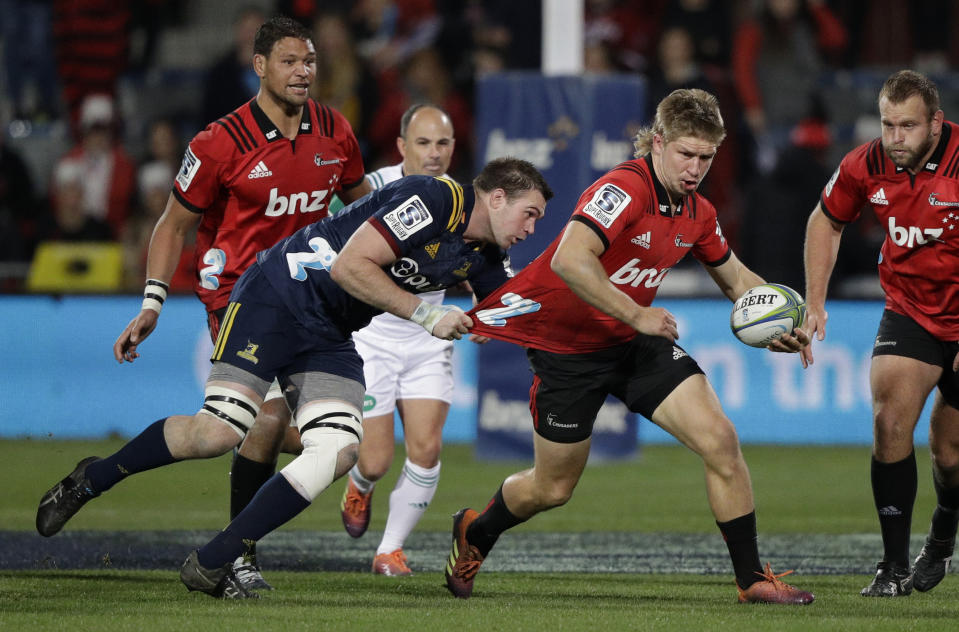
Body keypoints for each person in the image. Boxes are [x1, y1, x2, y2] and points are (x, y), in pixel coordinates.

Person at [35, 157, 553, 600]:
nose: (532, 228)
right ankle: (92, 477)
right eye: (530, 214)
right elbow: (352, 266)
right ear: (498, 197)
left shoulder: (485, 254)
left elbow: (510, 310)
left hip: (328, 331)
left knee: (339, 450)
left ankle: (213, 560)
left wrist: (560, 338)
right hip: (277, 297)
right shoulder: (435, 197)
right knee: (217, 432)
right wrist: (426, 316)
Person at [444, 88, 814, 605]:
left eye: (706, 157)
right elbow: (569, 259)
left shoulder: (698, 211)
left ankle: (752, 579)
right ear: (658, 142)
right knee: (552, 489)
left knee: (720, 440)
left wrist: (781, 316)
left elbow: (736, 281)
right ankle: (476, 530)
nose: (695, 168)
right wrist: (639, 313)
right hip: (568, 350)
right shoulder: (624, 188)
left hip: (633, 343)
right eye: (686, 154)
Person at [98, 16, 371, 592]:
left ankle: (98, 481)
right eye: (291, 62)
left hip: (312, 302)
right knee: (260, 423)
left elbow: (362, 207)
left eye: (310, 62)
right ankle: (234, 555)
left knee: (319, 443)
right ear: (261, 67)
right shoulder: (218, 142)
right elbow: (173, 225)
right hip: (241, 298)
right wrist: (152, 301)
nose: (303, 72)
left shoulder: (334, 131)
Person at [803, 69, 959, 597]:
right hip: (910, 311)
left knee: (950, 454)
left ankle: (941, 536)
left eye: (907, 126)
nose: (894, 138)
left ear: (936, 123)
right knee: (889, 418)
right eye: (887, 124)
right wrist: (816, 301)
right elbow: (825, 221)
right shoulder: (866, 163)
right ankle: (892, 567)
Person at [335, 103, 460, 576]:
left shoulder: (458, 197)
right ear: (403, 146)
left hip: (429, 336)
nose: (434, 154)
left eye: (443, 143)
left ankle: (389, 550)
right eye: (424, 143)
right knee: (375, 458)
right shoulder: (373, 190)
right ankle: (360, 485)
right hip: (372, 337)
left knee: (426, 448)